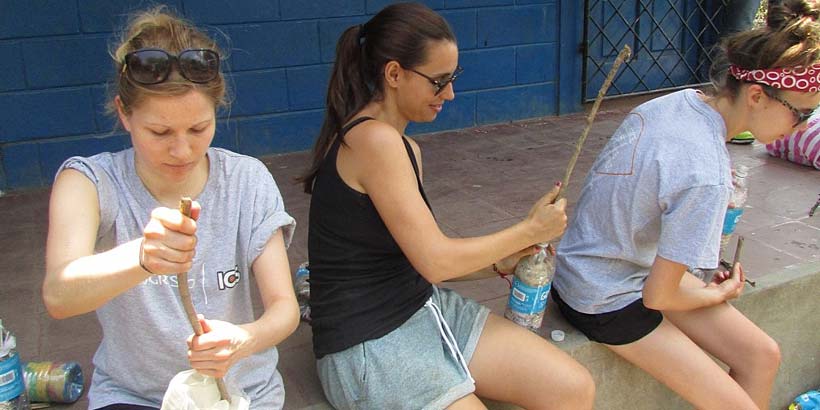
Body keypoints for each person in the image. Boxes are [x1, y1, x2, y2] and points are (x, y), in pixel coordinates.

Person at [301, 3, 594, 409]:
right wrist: (529, 230)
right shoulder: (374, 143)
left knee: (573, 388)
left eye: (453, 78)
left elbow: (422, 257)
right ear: (394, 74)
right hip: (368, 342)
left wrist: (501, 262)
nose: (450, 94)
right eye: (439, 81)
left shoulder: (404, 147)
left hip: (423, 308)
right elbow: (437, 261)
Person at [552, 1, 820, 409]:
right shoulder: (707, 173)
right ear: (756, 96)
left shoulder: (677, 102)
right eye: (801, 114)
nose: (803, 127)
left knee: (763, 355)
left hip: (603, 265)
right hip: (603, 296)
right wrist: (717, 294)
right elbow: (661, 297)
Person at [42, 7, 300, 410]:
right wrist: (141, 257)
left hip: (240, 393)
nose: (182, 151)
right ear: (124, 114)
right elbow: (59, 296)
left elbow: (284, 308)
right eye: (159, 132)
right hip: (137, 396)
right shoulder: (90, 182)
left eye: (199, 129)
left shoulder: (247, 180)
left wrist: (245, 339)